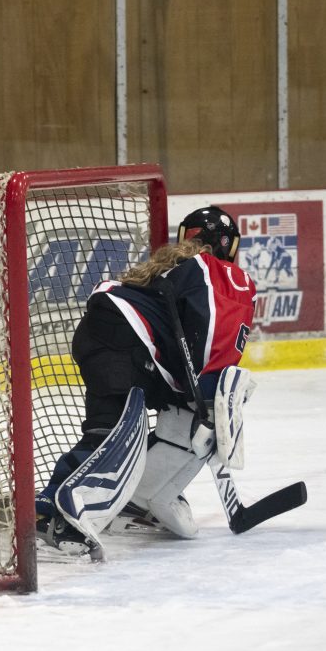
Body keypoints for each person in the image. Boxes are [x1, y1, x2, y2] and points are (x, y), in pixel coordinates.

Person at [35, 205, 256, 559]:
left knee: (112, 428)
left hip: (107, 335)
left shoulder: (176, 265)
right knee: (116, 437)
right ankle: (53, 509)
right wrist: (209, 393)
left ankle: (132, 498)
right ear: (229, 244)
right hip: (127, 341)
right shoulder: (219, 272)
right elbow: (212, 331)